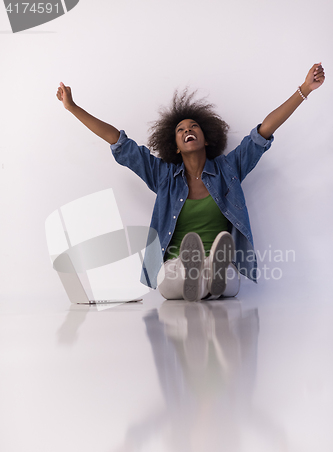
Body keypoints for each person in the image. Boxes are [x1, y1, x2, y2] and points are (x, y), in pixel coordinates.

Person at [56, 63, 325, 301]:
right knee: (170, 279)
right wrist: (73, 107)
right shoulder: (163, 177)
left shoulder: (228, 168)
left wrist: (304, 89)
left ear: (206, 138)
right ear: (174, 146)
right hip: (176, 264)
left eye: (193, 127)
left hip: (220, 263)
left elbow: (264, 131)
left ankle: (210, 272)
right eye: (181, 130)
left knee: (229, 280)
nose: (187, 130)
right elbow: (119, 142)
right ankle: (195, 274)